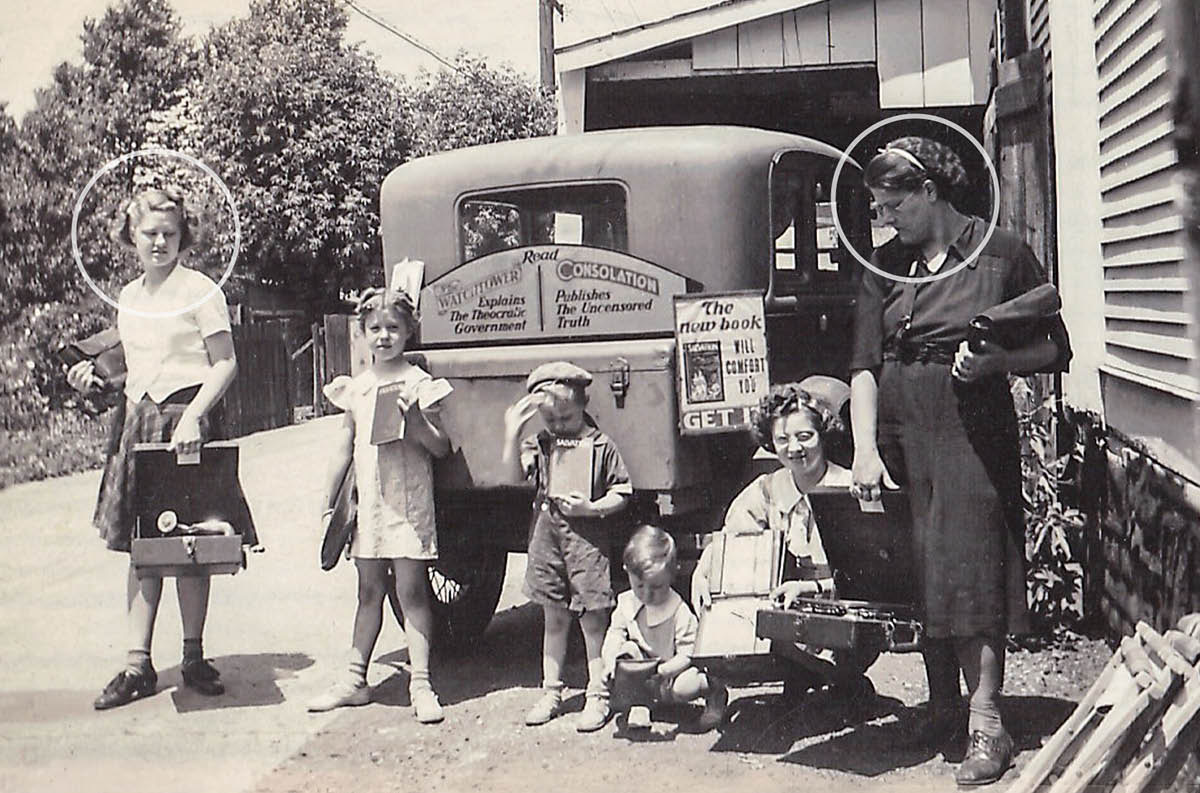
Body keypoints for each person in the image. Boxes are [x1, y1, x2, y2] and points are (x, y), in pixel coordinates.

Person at [849, 137, 1071, 786]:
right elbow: (863, 366)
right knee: (919, 566)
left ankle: (987, 722)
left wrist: (998, 361)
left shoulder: (1001, 252)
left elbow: (1056, 348)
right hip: (900, 430)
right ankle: (942, 705)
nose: (886, 219)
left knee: (969, 562)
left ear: (931, 192)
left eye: (895, 206)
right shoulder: (883, 265)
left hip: (970, 427)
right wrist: (864, 448)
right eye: (879, 208)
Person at [67, 186, 258, 710]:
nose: (159, 242)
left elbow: (225, 363)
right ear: (131, 235)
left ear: (183, 236)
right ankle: (137, 665)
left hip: (186, 422)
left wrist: (194, 415)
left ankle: (193, 657)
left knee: (188, 543)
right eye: (149, 233)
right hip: (139, 424)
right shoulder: (129, 297)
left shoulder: (201, 290)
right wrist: (93, 382)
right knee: (142, 546)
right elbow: (133, 369)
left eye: (169, 233)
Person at [307, 287, 452, 724]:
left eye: (393, 327)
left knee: (411, 592)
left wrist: (416, 421)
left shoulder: (419, 383)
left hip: (407, 503)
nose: (384, 336)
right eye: (375, 328)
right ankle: (355, 680)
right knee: (368, 591)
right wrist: (328, 501)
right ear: (362, 333)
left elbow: (441, 447)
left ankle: (421, 684)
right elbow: (344, 448)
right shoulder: (357, 388)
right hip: (369, 505)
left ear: (409, 331)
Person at [501, 362, 633, 732]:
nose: (559, 426)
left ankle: (598, 694)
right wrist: (512, 434)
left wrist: (592, 507)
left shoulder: (601, 445)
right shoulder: (541, 443)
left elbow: (622, 491)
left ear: (584, 404)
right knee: (554, 618)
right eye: (551, 419)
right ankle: (552, 691)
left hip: (587, 543)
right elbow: (513, 476)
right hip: (547, 540)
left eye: (567, 417)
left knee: (593, 620)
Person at [601, 524, 728, 731]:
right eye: (639, 585)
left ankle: (714, 690)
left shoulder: (677, 610)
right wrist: (610, 662)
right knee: (627, 650)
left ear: (671, 576)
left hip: (672, 672)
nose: (647, 594)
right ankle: (640, 705)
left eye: (656, 587)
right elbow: (614, 635)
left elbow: (689, 653)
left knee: (684, 687)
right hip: (644, 674)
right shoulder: (627, 603)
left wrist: (663, 671)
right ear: (627, 572)